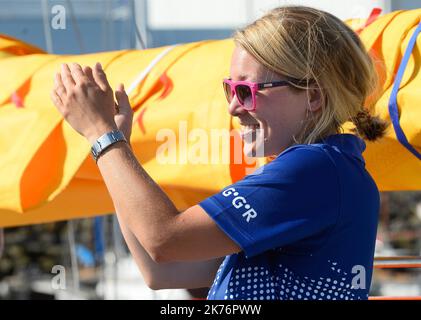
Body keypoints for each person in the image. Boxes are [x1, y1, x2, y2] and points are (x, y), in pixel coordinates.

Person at [50, 5, 388, 300]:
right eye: (229, 89)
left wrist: (103, 136)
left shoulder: (314, 170)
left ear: (313, 97)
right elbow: (162, 271)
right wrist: (114, 143)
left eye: (246, 91)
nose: (232, 107)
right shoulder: (331, 171)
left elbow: (166, 240)